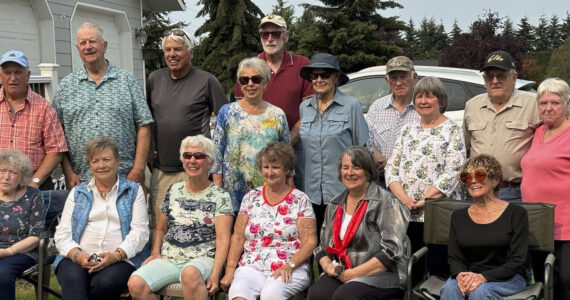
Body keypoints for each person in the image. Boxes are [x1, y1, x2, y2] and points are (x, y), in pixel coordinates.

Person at [128, 135, 233, 300]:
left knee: (189, 274)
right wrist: (155, 251)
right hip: (170, 258)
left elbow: (223, 238)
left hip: (202, 260)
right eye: (187, 155)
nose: (192, 160)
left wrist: (216, 272)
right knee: (136, 283)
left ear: (210, 163)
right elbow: (161, 228)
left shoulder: (220, 196)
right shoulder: (173, 190)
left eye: (199, 156)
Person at [52, 22, 153, 188]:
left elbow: (144, 125)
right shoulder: (66, 86)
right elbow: (56, 134)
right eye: (83, 43)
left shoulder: (126, 80)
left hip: (126, 177)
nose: (88, 47)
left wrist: (139, 169)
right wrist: (68, 173)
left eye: (92, 41)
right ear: (77, 48)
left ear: (104, 45)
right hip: (82, 179)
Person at [146, 28, 228, 228]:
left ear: (190, 52)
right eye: (167, 49)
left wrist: (217, 167)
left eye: (177, 49)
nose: (172, 54)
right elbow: (146, 121)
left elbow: (226, 121)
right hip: (162, 168)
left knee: (195, 224)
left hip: (195, 168)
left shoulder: (206, 80)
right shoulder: (154, 79)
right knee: (159, 225)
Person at [307, 146, 409, 300]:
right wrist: (328, 266)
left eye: (356, 167)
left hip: (382, 274)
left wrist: (353, 274)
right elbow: (322, 246)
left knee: (345, 296)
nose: (350, 173)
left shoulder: (387, 202)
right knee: (317, 294)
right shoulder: (334, 204)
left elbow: (392, 251)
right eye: (345, 167)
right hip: (344, 270)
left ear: (368, 171)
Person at [53, 136, 149, 300]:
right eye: (95, 161)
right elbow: (62, 234)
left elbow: (139, 233)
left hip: (122, 259)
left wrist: (115, 256)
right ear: (90, 165)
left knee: (104, 283)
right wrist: (78, 256)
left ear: (117, 161)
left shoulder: (133, 191)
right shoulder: (78, 192)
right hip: (77, 257)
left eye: (106, 159)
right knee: (73, 279)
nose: (101, 165)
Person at [220, 142, 317, 299]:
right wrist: (230, 270)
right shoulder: (251, 197)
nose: (270, 172)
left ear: (287, 169)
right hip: (252, 264)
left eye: (276, 167)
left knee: (271, 294)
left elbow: (311, 241)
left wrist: (290, 265)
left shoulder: (300, 200)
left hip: (289, 265)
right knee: (238, 293)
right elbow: (238, 237)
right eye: (266, 167)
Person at [234, 14, 313, 191]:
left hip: (295, 145)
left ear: (286, 36)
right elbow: (241, 111)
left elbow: (309, 110)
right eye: (265, 34)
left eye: (276, 34)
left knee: (295, 193)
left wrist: (286, 142)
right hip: (256, 146)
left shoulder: (302, 64)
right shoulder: (250, 67)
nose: (270, 39)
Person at [298, 53, 370, 236]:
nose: (319, 79)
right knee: (310, 246)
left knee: (337, 248)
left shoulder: (351, 105)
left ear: (336, 77)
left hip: (342, 192)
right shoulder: (304, 108)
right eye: (315, 75)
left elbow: (363, 149)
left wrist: (362, 191)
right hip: (310, 192)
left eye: (325, 74)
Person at [440, 154, 528, 299]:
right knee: (450, 288)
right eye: (468, 177)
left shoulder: (516, 214)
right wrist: (461, 276)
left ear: (496, 179)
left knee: (480, 291)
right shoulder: (458, 217)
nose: (473, 181)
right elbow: (454, 257)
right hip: (469, 275)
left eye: (480, 175)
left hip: (508, 278)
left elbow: (516, 261)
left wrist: (483, 277)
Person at [212, 58, 290, 212]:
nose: (250, 84)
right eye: (244, 80)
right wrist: (218, 192)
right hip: (232, 196)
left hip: (269, 194)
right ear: (240, 84)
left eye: (256, 79)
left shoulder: (277, 115)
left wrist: (289, 192)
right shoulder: (226, 113)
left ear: (265, 82)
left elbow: (287, 159)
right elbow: (216, 156)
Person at [463, 50, 539, 202]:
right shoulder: (472, 105)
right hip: (477, 190)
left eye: (501, 75)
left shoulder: (533, 104)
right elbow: (465, 147)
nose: (495, 81)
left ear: (514, 77)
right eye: (489, 76)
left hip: (514, 192)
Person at [521, 78, 570, 299]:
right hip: (537, 224)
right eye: (543, 103)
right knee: (542, 282)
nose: (548, 108)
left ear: (567, 104)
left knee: (565, 281)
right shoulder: (538, 132)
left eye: (555, 102)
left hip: (566, 226)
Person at [0, 50, 67, 190]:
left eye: (18, 72)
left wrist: (35, 182)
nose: (12, 78)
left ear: (28, 75)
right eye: (7, 72)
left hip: (33, 185)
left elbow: (56, 150)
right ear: (1, 76)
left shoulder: (43, 108)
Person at [365, 56, 420, 187]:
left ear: (414, 77)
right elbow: (367, 137)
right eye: (393, 78)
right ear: (387, 81)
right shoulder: (377, 107)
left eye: (403, 77)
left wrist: (394, 163)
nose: (398, 82)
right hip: (380, 180)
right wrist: (376, 156)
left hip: (412, 181)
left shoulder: (423, 107)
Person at [0, 149, 45, 300]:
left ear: (22, 177)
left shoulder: (33, 196)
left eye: (13, 172)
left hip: (22, 252)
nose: (6, 177)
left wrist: (8, 251)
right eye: (2, 170)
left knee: (3, 273)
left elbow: (36, 235)